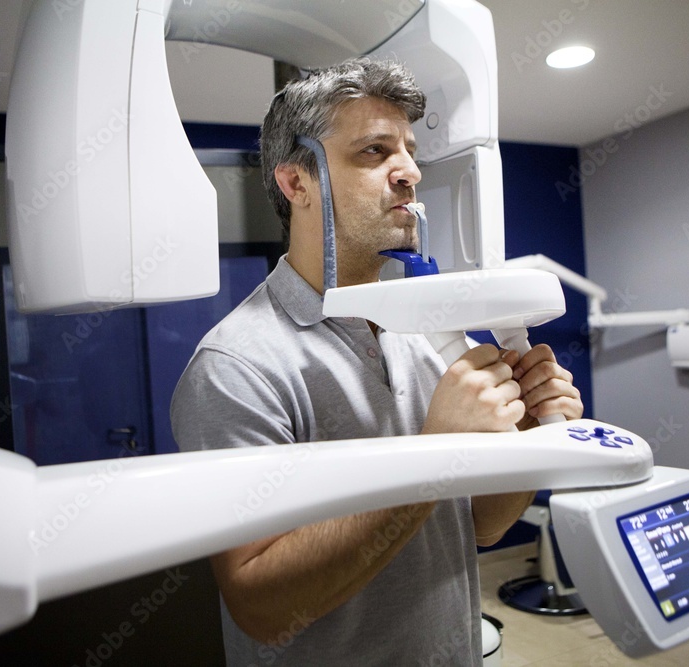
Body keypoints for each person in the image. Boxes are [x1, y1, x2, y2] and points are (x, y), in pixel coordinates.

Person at [170, 57, 583, 666]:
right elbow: (260, 608)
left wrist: (522, 439)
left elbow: (476, 528)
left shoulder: (432, 332)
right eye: (373, 151)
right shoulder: (237, 367)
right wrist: (435, 452)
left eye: (410, 151)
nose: (410, 172)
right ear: (296, 183)